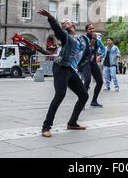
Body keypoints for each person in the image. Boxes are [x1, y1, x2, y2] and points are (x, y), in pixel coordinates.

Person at [37, 9, 91, 138]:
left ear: (73, 23)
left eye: (66, 21)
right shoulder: (65, 36)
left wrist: (80, 66)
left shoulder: (82, 38)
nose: (63, 23)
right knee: (60, 95)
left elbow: (87, 54)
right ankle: (46, 126)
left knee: (84, 95)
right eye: (62, 23)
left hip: (71, 70)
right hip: (61, 67)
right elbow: (57, 30)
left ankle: (72, 122)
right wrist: (50, 17)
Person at [78, 24, 106, 108]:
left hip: (93, 62)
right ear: (86, 31)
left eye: (93, 28)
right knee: (87, 81)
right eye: (90, 29)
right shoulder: (84, 39)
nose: (92, 30)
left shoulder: (97, 40)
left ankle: (94, 101)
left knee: (100, 82)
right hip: (86, 62)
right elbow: (84, 49)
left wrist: (100, 55)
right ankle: (81, 103)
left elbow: (103, 49)